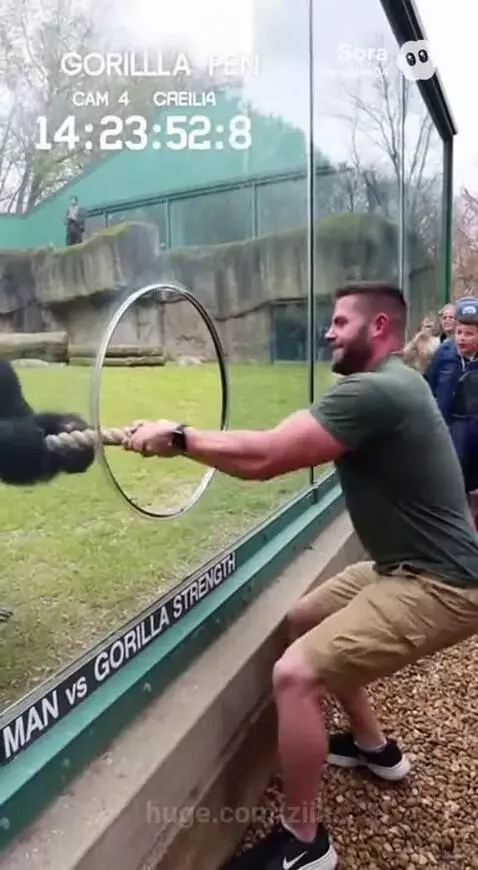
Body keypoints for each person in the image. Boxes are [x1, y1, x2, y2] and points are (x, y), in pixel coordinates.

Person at [123, 281, 478, 870]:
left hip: (442, 585)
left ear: (381, 328)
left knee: (295, 676)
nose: (328, 332)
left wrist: (180, 438)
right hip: (400, 567)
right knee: (305, 618)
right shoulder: (390, 385)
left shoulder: (374, 392)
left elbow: (265, 457)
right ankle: (374, 747)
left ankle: (304, 842)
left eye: (340, 322)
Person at [424, 296, 478, 528]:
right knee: (451, 485)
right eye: (459, 332)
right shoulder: (444, 355)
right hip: (449, 431)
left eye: (469, 333)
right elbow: (428, 386)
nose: (462, 338)